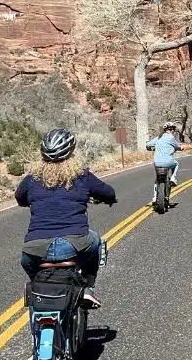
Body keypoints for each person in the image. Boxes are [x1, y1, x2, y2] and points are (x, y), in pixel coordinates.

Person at [16, 128, 117, 310]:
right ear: (71, 153)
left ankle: (38, 291)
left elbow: (19, 197)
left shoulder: (32, 179)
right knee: (96, 242)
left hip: (34, 249)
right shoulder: (82, 176)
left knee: (31, 268)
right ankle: (87, 288)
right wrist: (109, 199)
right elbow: (108, 192)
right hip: (75, 243)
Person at [147, 121, 182, 203]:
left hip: (157, 163)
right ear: (170, 130)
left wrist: (153, 148)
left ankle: (155, 197)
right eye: (171, 129)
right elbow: (178, 147)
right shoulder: (171, 138)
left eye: (172, 129)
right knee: (176, 164)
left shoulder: (158, 138)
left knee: (157, 179)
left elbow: (148, 145)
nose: (172, 131)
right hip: (169, 162)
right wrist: (180, 148)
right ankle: (173, 177)